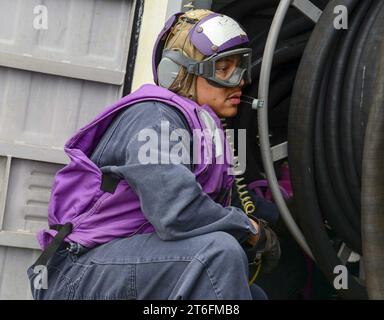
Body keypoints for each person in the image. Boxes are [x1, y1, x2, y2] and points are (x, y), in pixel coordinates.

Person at [27, 9, 280, 300]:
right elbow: (176, 213)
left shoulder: (201, 129)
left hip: (119, 267)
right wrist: (246, 227)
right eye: (223, 68)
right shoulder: (153, 116)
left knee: (254, 295)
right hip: (75, 276)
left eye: (240, 68)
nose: (239, 81)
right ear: (179, 71)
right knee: (217, 255)